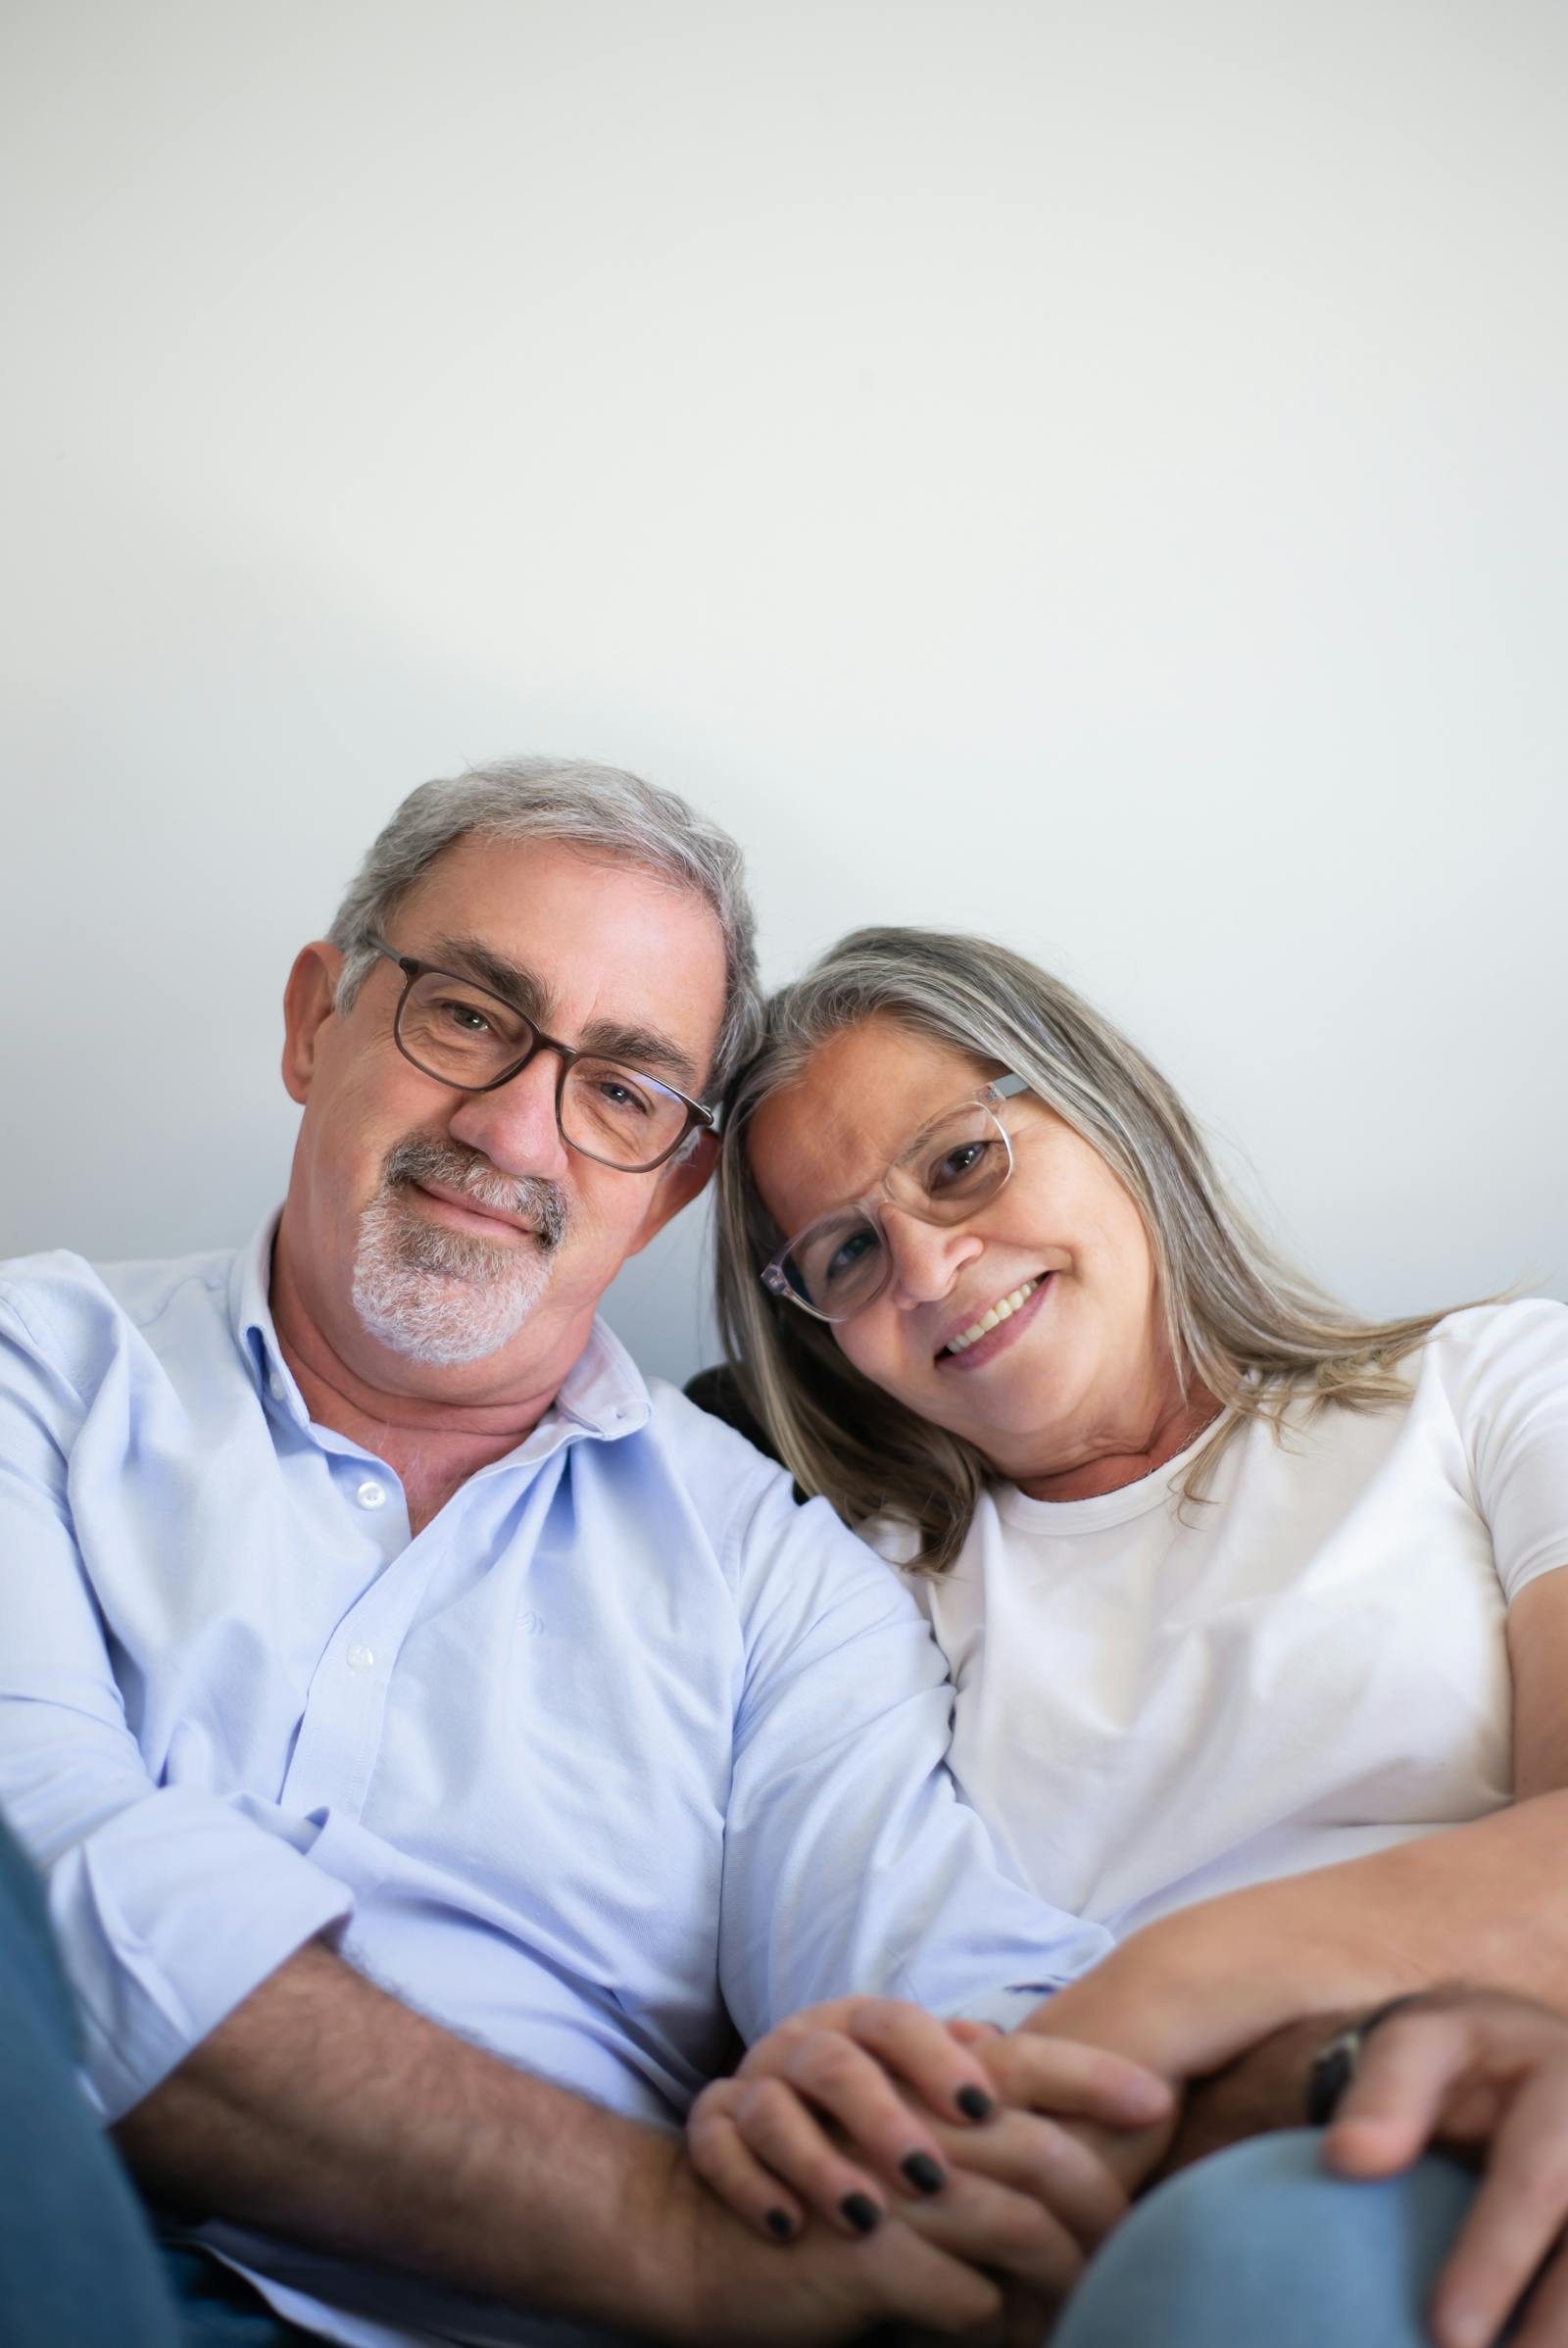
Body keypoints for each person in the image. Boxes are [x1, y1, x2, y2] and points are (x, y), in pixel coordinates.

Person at [0, 772, 1178, 2348]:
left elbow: (957, 2011)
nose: (511, 1129)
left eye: (623, 1090)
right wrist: (672, 2237)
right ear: (313, 1021)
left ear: (673, 1186)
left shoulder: (780, 1583)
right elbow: (46, 1868)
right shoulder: (38, 1371)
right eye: (473, 1015)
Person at [700, 921, 1568, 2343]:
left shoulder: (1487, 1387)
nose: (923, 1268)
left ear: (1105, 1110)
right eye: (848, 1253)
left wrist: (1154, 1991)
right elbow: (944, 2097)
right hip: (1174, 2217)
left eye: (961, 1160)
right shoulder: (854, 1592)